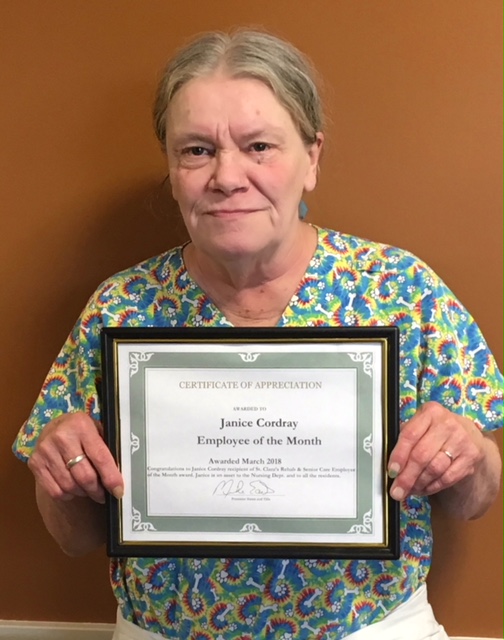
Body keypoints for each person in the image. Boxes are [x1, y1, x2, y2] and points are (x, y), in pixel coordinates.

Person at [13, 29, 503, 640]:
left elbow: (475, 500)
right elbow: (75, 537)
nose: (227, 176)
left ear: (312, 158)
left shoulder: (402, 289)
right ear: (171, 168)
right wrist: (62, 473)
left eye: (259, 146)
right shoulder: (121, 307)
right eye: (196, 150)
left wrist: (467, 451)